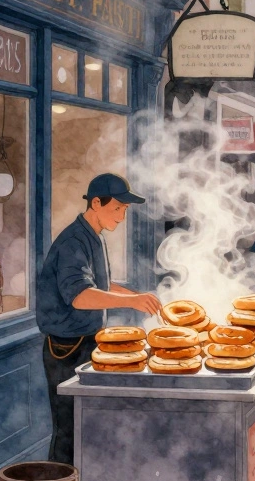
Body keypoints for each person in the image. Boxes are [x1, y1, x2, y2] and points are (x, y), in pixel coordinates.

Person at [38, 173, 163, 465]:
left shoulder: (93, 235)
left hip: (88, 342)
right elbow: (81, 296)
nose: (121, 217)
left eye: (125, 210)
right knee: (67, 428)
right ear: (96, 202)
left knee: (88, 423)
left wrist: (136, 294)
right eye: (117, 208)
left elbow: (101, 286)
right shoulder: (73, 241)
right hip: (66, 349)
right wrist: (132, 300)